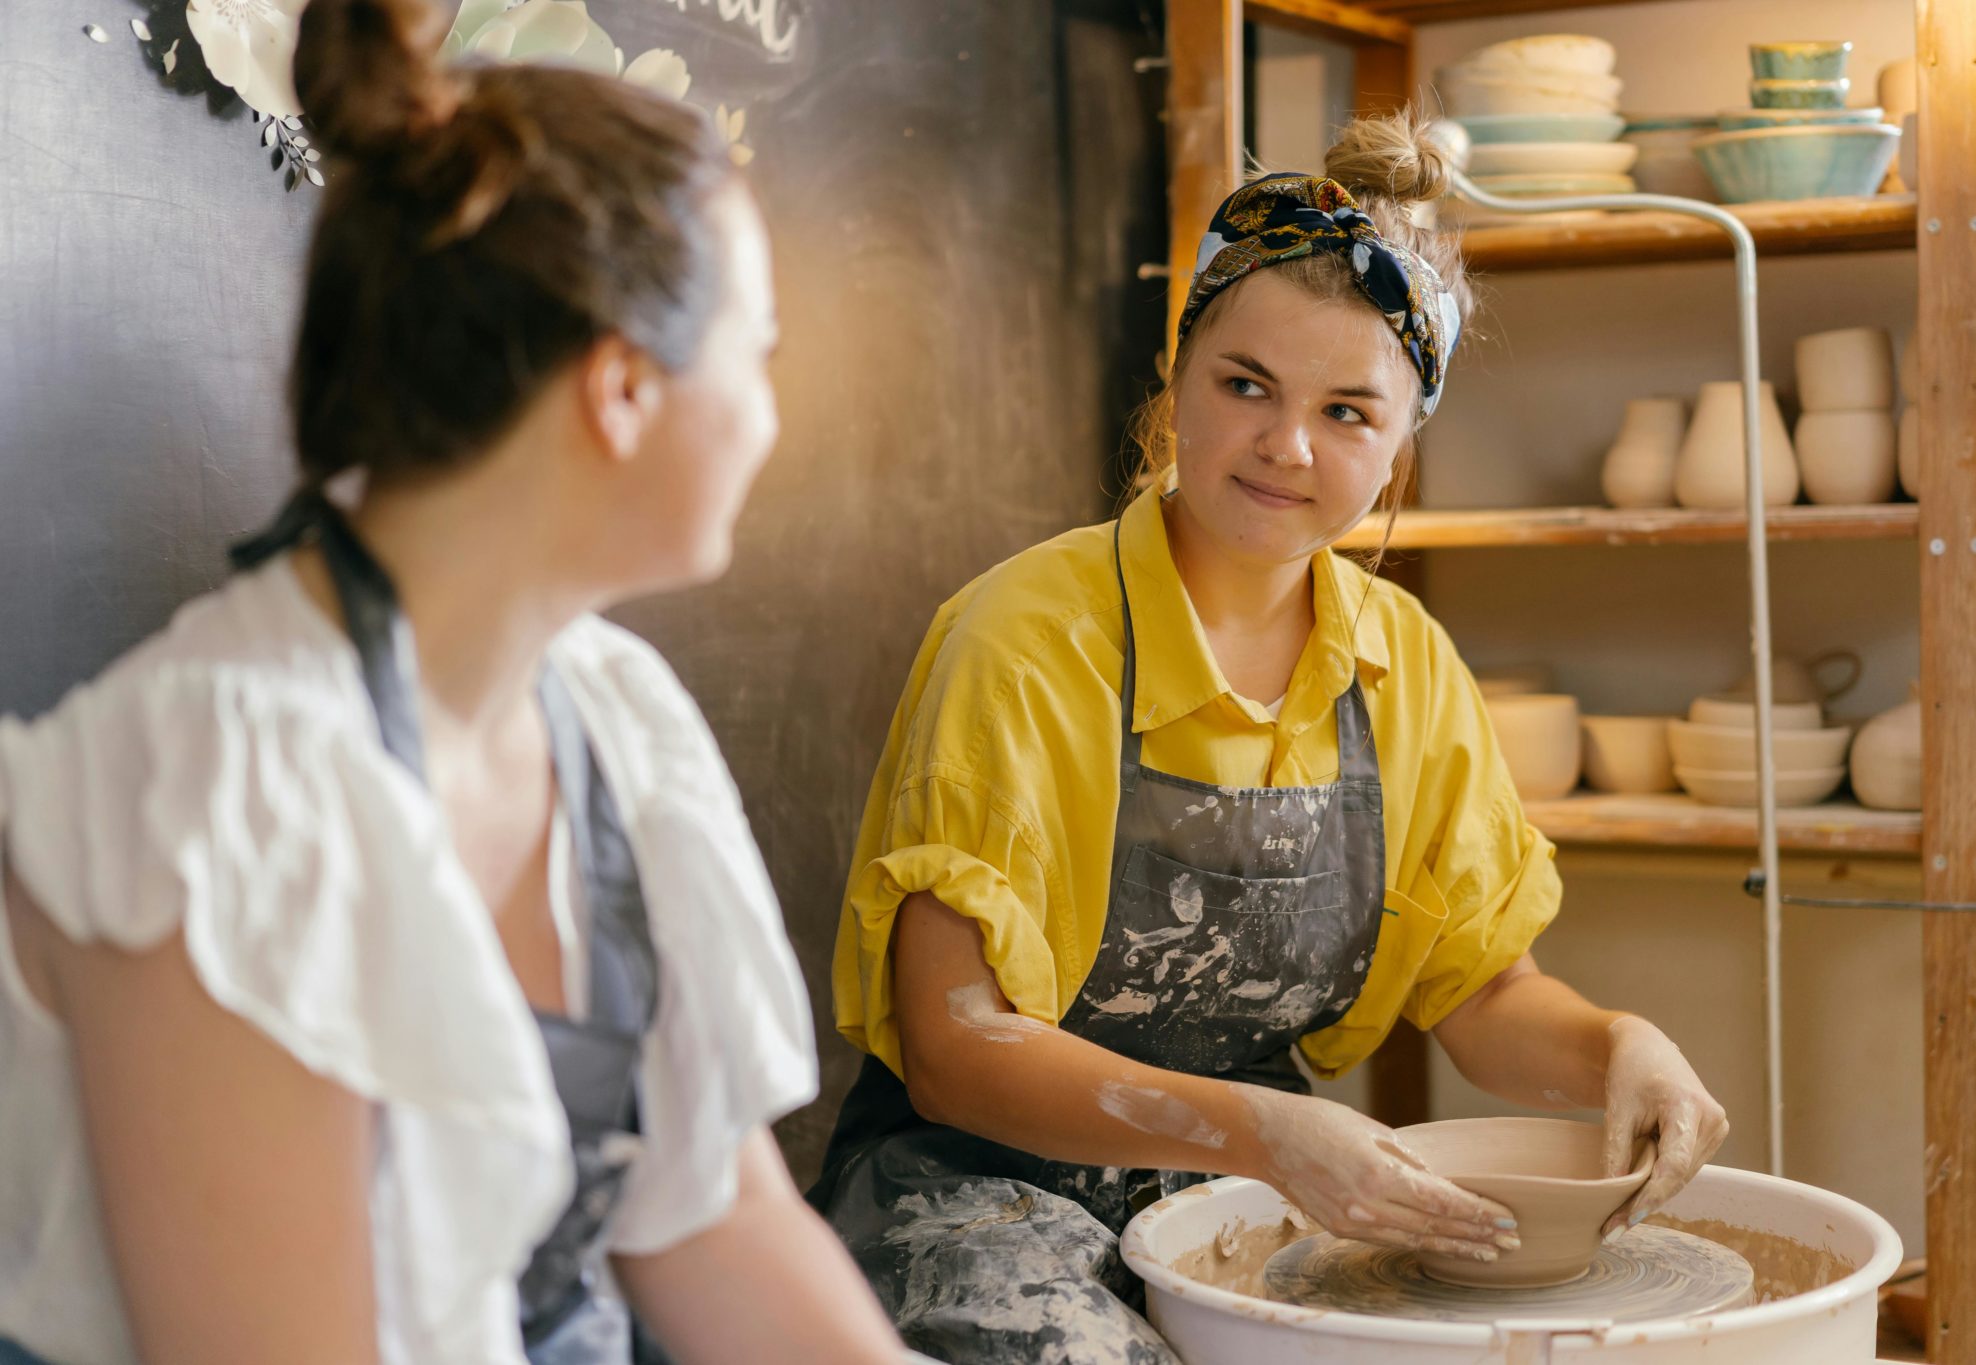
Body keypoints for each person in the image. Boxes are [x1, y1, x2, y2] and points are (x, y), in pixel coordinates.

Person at [0, 0, 904, 1359]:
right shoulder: (213, 796)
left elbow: (707, 1221)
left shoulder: (609, 719)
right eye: (756, 351)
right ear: (621, 390)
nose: (774, 414)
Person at [807, 111, 1731, 1363]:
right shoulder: (1026, 635)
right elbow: (952, 1050)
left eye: (1349, 411)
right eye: (1245, 385)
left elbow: (1479, 994)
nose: (1286, 446)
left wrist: (1622, 1048)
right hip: (971, 1196)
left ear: (1402, 444)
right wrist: (1258, 1131)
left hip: (1237, 1200)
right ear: (1177, 378)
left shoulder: (1399, 666)